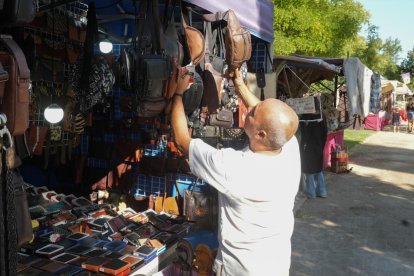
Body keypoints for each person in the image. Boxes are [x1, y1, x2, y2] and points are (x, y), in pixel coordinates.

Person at [171, 67, 301, 276]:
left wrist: (176, 93)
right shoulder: (288, 147)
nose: (247, 110)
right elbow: (262, 112)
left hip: (240, 270)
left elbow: (182, 140)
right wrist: (239, 84)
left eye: (251, 114)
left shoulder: (235, 167)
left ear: (260, 134)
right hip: (275, 265)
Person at [299, 118, 328, 198]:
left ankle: (310, 191)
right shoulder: (321, 121)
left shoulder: (307, 121)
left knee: (309, 170)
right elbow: (324, 135)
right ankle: (321, 191)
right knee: (318, 169)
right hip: (318, 147)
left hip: (309, 148)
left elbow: (305, 136)